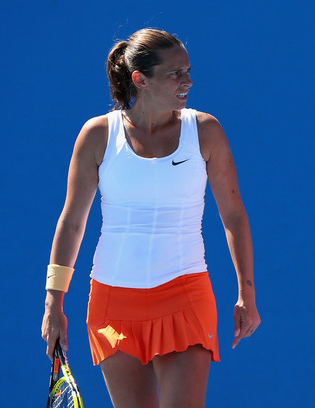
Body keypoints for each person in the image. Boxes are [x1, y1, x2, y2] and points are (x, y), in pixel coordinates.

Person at [41, 28, 260, 408]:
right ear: (140, 80)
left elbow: (234, 216)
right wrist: (53, 301)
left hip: (186, 296)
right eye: (175, 73)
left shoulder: (205, 131)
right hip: (112, 303)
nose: (188, 81)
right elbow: (72, 222)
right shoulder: (97, 134)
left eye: (188, 71)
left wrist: (247, 293)